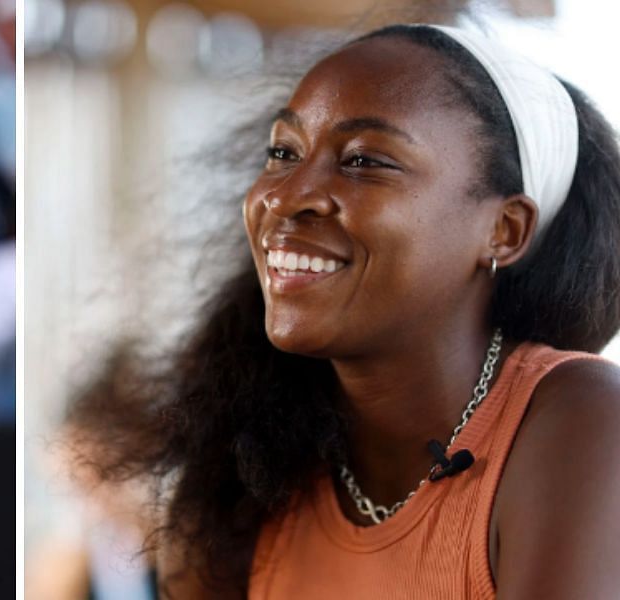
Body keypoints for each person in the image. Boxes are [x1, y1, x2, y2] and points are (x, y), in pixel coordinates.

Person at [68, 23, 620, 599]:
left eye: (364, 161)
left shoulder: (582, 424)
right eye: (283, 152)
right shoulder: (240, 484)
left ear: (504, 231)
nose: (284, 196)